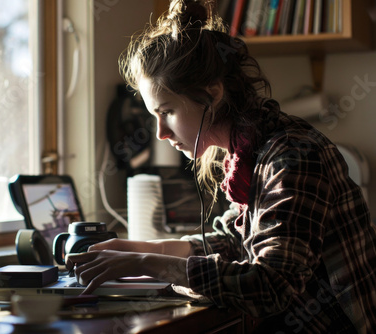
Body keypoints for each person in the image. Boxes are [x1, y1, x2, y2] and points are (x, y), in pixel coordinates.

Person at [66, 0, 376, 332]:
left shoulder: (292, 156)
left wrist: (148, 263)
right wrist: (138, 249)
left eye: (167, 111)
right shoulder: (249, 153)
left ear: (211, 95)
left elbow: (271, 286)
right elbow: (233, 242)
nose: (160, 133)